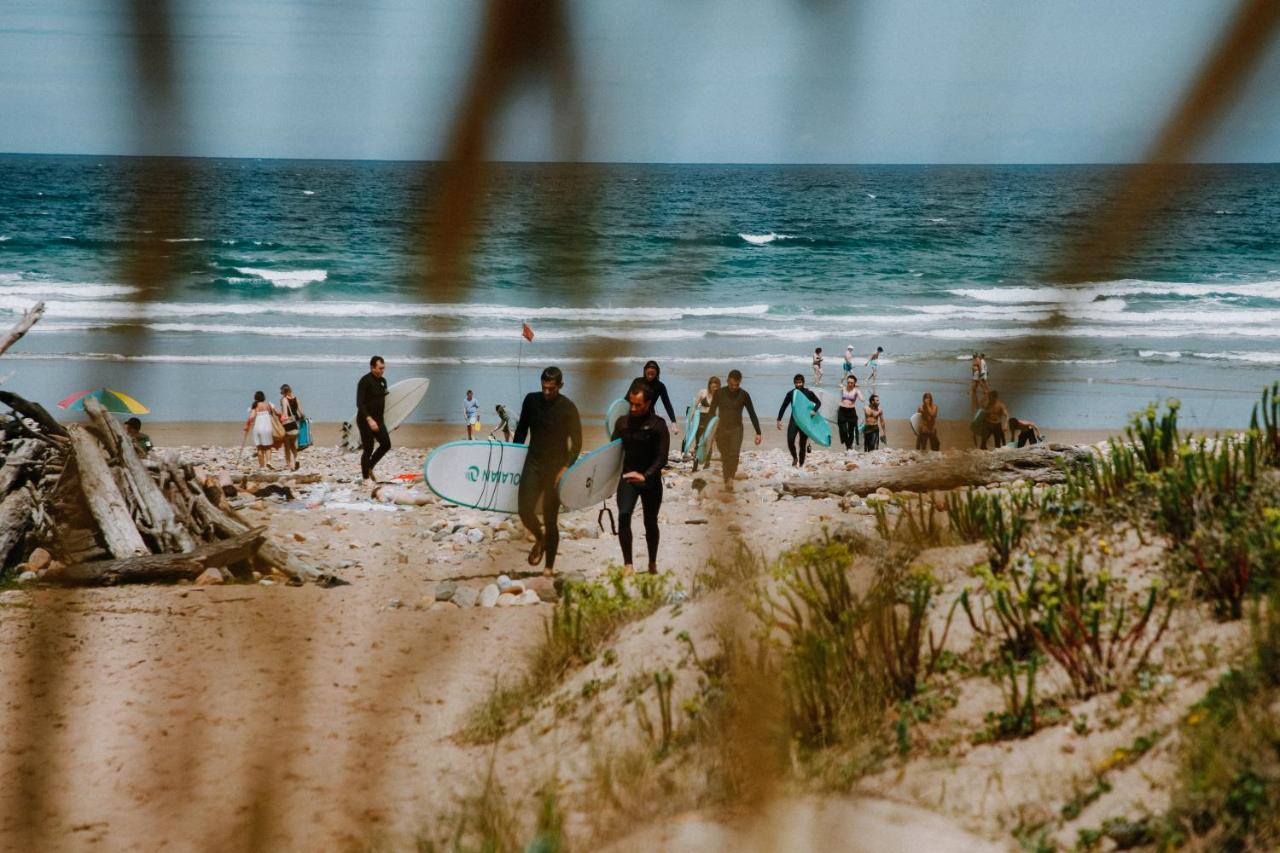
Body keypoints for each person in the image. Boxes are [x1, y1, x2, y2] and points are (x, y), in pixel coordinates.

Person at [514, 366, 582, 575]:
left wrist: (566, 468)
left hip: (556, 470)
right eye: (544, 387)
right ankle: (540, 537)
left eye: (551, 389)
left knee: (551, 519)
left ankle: (549, 568)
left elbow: (577, 443)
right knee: (524, 510)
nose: (547, 392)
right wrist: (511, 458)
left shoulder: (568, 407)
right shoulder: (531, 401)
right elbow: (521, 432)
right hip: (533, 463)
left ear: (560, 386)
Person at [611, 378, 669, 575]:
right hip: (628, 477)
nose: (633, 408)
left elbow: (662, 458)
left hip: (650, 480)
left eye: (638, 405)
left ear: (648, 404)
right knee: (624, 515)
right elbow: (611, 453)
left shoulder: (658, 425)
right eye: (631, 404)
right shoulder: (622, 423)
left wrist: (646, 475)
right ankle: (628, 564)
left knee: (650, 521)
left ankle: (652, 563)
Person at [706, 369, 761, 492]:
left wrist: (758, 432)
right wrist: (708, 431)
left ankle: (730, 480)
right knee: (725, 456)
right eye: (731, 385)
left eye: (736, 385)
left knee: (734, 455)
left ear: (740, 382)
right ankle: (728, 479)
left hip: (736, 429)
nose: (734, 388)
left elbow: (752, 413)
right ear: (727, 381)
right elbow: (711, 412)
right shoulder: (719, 393)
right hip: (721, 430)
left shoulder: (744, 395)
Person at [356, 355, 391, 483]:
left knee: (386, 444)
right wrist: (369, 419)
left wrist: (395, 420)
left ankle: (369, 466)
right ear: (372, 367)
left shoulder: (383, 381)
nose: (382, 370)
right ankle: (365, 478)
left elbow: (385, 403)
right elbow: (360, 403)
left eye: (383, 368)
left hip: (379, 420)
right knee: (368, 448)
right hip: (365, 420)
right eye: (380, 368)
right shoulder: (364, 381)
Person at [776, 373, 821, 468]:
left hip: (804, 421)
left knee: (802, 443)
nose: (798, 385)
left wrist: (814, 410)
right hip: (794, 419)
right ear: (794, 383)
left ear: (803, 382)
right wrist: (779, 419)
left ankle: (801, 463)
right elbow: (784, 406)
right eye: (796, 383)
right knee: (790, 440)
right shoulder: (791, 393)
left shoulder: (808, 393)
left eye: (800, 382)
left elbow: (818, 403)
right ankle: (794, 457)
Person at [638, 360, 679, 436]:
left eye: (652, 374)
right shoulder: (637, 382)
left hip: (649, 415)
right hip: (635, 413)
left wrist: (673, 422)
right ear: (644, 371)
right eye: (648, 373)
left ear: (657, 373)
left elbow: (667, 404)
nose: (650, 376)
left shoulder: (660, 386)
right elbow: (626, 399)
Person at [690, 376, 720, 472]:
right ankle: (695, 465)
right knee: (699, 442)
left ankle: (707, 464)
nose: (714, 389)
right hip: (701, 418)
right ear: (709, 385)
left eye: (716, 387)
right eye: (713, 386)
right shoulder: (702, 392)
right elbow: (695, 405)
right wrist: (691, 418)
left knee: (709, 442)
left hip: (711, 419)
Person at [244, 390, 280, 470]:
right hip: (268, 428)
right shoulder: (269, 405)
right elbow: (277, 413)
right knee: (268, 447)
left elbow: (252, 417)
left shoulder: (255, 405)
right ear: (263, 397)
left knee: (259, 447)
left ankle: (261, 466)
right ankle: (269, 462)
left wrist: (247, 425)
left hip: (258, 428)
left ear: (255, 398)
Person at [279, 384, 304, 471]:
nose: (281, 393)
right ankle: (296, 460)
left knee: (287, 445)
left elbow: (285, 414)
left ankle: (288, 464)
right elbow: (302, 413)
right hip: (296, 423)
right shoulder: (296, 398)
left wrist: (279, 417)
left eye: (281, 392)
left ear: (284, 392)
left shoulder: (284, 399)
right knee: (293, 444)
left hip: (288, 424)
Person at [837, 374, 863, 451]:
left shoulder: (856, 390)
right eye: (848, 382)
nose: (850, 384)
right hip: (842, 410)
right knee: (843, 429)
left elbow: (861, 397)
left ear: (854, 383)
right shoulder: (843, 388)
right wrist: (843, 378)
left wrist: (862, 398)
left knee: (851, 431)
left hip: (851, 412)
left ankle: (849, 446)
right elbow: (839, 384)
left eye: (852, 383)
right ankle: (848, 446)